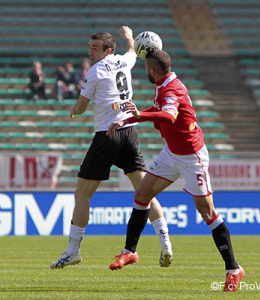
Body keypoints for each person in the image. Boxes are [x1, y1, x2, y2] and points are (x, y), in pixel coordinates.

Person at [107, 50, 245, 292]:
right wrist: (128, 120)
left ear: (151, 71)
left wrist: (140, 115)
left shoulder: (172, 89)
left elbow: (169, 115)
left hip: (192, 157)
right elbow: (157, 108)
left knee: (207, 212)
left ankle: (233, 269)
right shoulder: (165, 84)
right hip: (172, 153)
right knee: (141, 195)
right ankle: (129, 251)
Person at [50, 26, 172, 269]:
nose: (90, 52)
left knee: (82, 193)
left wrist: (73, 109)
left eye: (94, 48)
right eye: (89, 48)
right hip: (129, 132)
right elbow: (131, 51)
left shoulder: (96, 71)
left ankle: (73, 250)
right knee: (145, 191)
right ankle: (165, 243)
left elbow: (82, 106)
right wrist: (129, 36)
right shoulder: (125, 61)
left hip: (107, 135)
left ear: (107, 50)